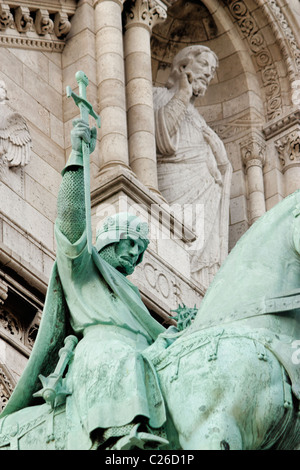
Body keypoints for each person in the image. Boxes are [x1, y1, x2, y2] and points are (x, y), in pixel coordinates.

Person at [1, 119, 168, 450]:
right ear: (110, 241)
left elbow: (155, 335)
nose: (135, 253)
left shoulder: (132, 293)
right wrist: (77, 156)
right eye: (129, 242)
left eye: (140, 248)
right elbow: (70, 220)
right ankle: (117, 435)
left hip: (138, 353)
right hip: (101, 351)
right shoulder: (83, 267)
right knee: (119, 355)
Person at [153, 45, 232, 288]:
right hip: (173, 187)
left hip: (206, 197)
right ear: (183, 65)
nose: (210, 74)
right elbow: (159, 139)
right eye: (204, 65)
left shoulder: (199, 119)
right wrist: (183, 94)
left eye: (213, 70)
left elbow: (220, 168)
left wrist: (223, 162)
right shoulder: (157, 95)